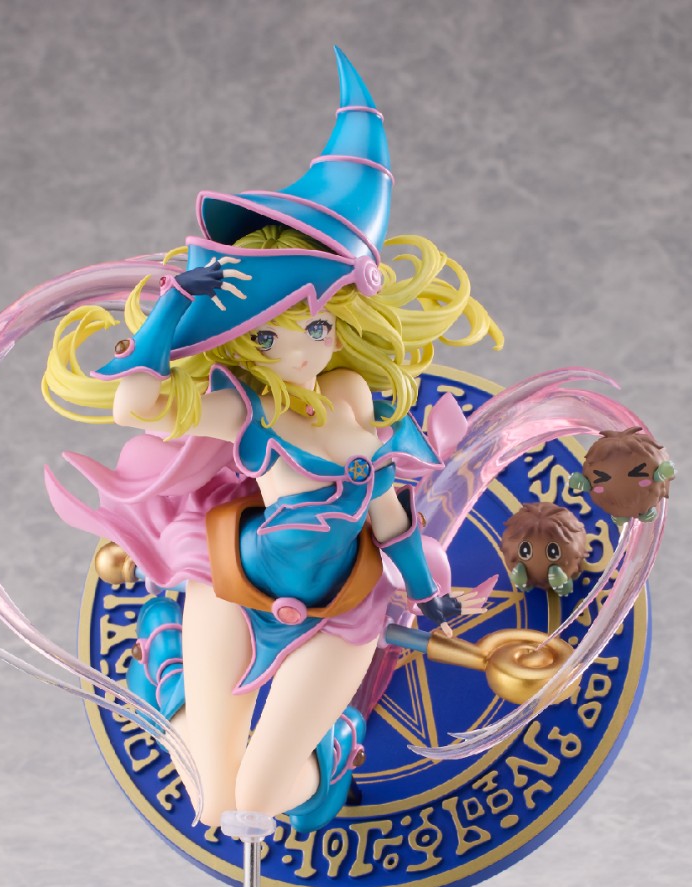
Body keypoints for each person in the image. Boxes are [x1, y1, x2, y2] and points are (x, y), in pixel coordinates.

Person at [40, 50, 500, 832]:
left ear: (343, 322)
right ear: (245, 342)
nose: (302, 347)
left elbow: (392, 525)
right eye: (272, 332)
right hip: (231, 582)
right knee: (210, 799)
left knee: (257, 801)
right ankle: (171, 693)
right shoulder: (247, 411)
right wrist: (171, 310)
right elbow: (133, 404)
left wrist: (431, 601)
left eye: (316, 324)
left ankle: (333, 745)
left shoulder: (374, 421)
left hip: (345, 605)